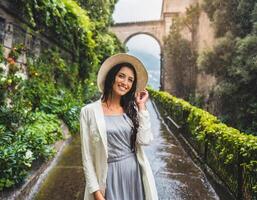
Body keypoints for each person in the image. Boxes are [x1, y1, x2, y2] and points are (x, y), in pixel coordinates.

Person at [80, 53, 158, 200]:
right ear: (112, 77)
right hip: (108, 177)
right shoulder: (88, 112)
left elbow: (144, 140)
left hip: (134, 175)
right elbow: (87, 157)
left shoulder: (131, 110)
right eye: (121, 76)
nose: (125, 83)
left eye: (130, 80)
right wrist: (96, 193)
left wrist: (141, 107)